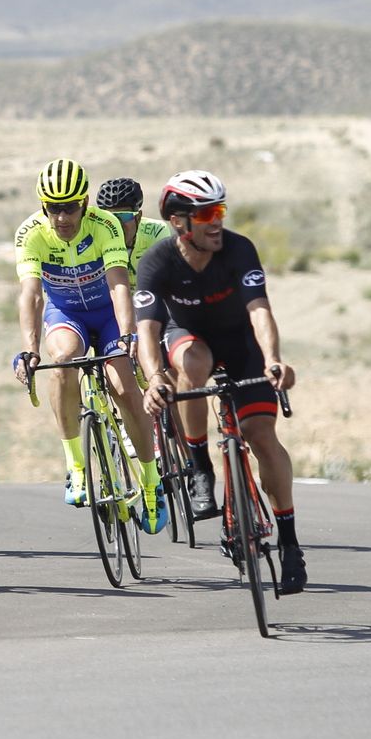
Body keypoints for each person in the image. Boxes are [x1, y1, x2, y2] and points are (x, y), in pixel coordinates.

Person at [134, 169, 306, 594]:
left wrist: (274, 360)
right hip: (188, 337)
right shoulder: (157, 262)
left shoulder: (239, 250)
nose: (217, 221)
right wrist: (156, 378)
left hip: (241, 344)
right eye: (207, 212)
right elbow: (146, 332)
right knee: (192, 363)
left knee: (261, 435)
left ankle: (289, 543)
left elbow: (259, 309)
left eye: (221, 210)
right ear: (179, 221)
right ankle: (199, 467)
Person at [11, 159, 166, 534]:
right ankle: (76, 467)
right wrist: (30, 349)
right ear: (43, 206)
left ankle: (150, 483)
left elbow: (118, 285)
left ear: (84, 203)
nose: (62, 217)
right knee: (62, 357)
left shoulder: (105, 225)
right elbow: (31, 296)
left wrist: (128, 336)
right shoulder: (31, 233)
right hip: (67, 313)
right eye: (53, 208)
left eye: (70, 207)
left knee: (123, 387)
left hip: (108, 314)